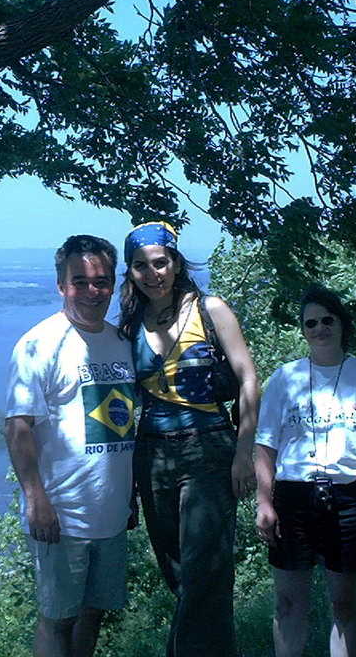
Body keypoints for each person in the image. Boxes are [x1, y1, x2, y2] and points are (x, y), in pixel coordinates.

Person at [118, 221, 259, 657]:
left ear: (176, 263)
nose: (152, 273)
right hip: (152, 456)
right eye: (140, 265)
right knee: (179, 574)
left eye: (160, 263)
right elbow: (123, 410)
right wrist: (125, 483)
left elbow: (249, 378)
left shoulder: (209, 309)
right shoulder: (130, 326)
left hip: (210, 449)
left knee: (206, 573)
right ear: (131, 271)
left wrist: (244, 452)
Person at [5, 235, 137, 657]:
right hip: (63, 515)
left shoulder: (122, 343)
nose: (93, 291)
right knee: (58, 618)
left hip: (113, 512)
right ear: (61, 284)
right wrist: (35, 499)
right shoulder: (38, 344)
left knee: (94, 612)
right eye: (79, 281)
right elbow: (18, 428)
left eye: (102, 281)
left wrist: (129, 497)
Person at [254, 285, 356, 657]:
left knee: (344, 605)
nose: (319, 328)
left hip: (351, 499)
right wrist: (263, 502)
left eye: (327, 319)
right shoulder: (285, 378)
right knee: (287, 603)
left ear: (341, 323)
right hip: (293, 498)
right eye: (310, 323)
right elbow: (265, 445)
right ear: (302, 329)